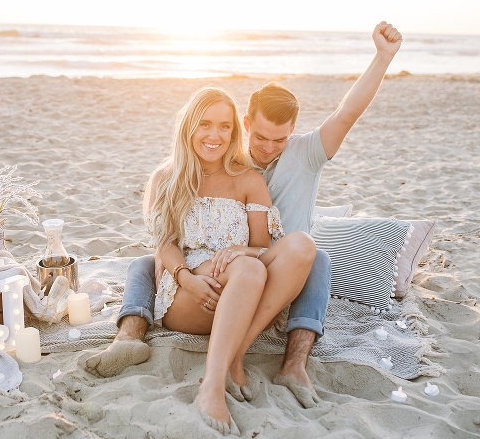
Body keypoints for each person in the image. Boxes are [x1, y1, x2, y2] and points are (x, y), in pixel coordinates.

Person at [84, 21, 403, 409]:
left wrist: (383, 57)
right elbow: (167, 239)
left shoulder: (300, 155)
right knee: (143, 263)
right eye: (261, 136)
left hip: (279, 267)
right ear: (247, 127)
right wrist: (189, 273)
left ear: (292, 131)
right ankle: (129, 339)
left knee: (314, 254)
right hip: (215, 274)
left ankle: (291, 362)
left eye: (279, 138)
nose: (269, 147)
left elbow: (346, 113)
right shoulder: (223, 162)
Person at [137, 87, 315, 433]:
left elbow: (262, 247)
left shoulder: (249, 179)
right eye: (205, 124)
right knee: (247, 268)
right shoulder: (167, 178)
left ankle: (236, 354)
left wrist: (240, 251)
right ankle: (212, 387)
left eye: (224, 127)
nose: (214, 135)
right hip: (189, 293)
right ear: (189, 127)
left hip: (243, 288)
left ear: (236, 131)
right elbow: (166, 244)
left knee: (302, 245)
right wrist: (186, 278)